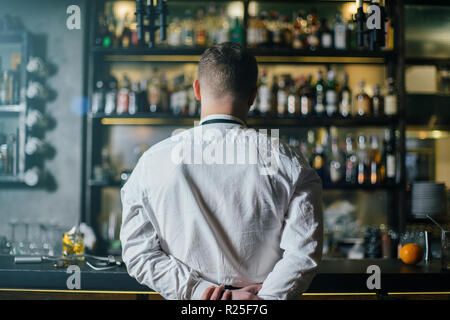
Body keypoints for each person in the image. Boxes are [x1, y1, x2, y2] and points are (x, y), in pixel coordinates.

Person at [120, 42, 322, 300]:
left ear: (196, 90)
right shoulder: (288, 161)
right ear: (253, 95)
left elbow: (138, 254)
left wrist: (201, 292)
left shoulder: (152, 161)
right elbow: (303, 253)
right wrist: (259, 301)